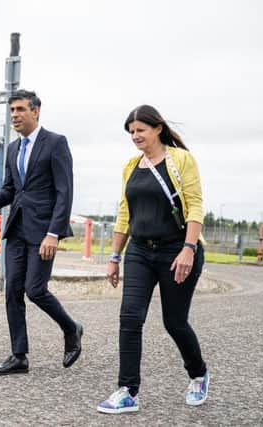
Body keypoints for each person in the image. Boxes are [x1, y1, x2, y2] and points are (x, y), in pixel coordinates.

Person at [97, 105, 208, 414]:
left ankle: (198, 374)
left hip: (177, 250)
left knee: (174, 321)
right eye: (131, 132)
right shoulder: (131, 166)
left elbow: (196, 206)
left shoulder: (182, 160)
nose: (135, 136)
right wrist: (114, 256)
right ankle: (127, 390)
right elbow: (124, 213)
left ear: (157, 128)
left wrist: (189, 248)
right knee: (130, 318)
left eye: (140, 130)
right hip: (140, 252)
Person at [0, 89, 82, 375]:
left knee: (35, 290)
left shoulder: (56, 143)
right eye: (12, 111)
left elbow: (64, 192)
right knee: (12, 292)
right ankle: (18, 355)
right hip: (17, 229)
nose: (15, 116)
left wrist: (53, 233)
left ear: (36, 111)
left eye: (20, 109)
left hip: (44, 231)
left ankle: (71, 328)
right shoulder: (12, 149)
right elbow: (11, 190)